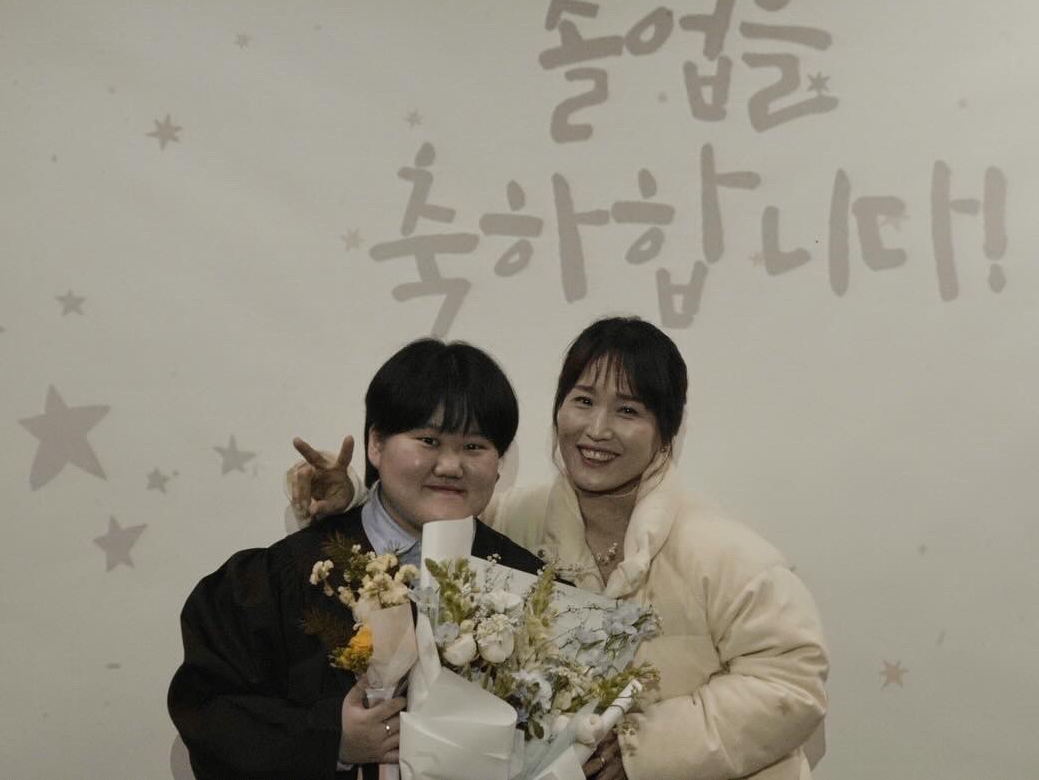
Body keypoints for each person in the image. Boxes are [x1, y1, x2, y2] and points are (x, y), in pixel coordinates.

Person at [293, 317, 829, 780]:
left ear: (666, 432)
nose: (597, 429)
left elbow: (793, 685)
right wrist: (353, 496)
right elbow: (427, 513)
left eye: (628, 411)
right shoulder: (513, 520)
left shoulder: (727, 551)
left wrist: (641, 748)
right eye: (583, 401)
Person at [169, 339, 545, 780]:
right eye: (428, 440)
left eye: (474, 446)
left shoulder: (528, 587)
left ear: (499, 463)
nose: (450, 466)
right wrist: (333, 740)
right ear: (376, 444)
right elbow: (210, 713)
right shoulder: (285, 578)